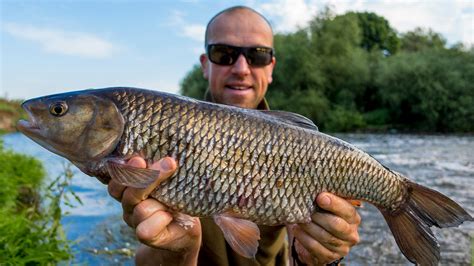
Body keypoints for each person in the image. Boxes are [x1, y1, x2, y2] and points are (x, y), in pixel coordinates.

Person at [107, 6, 361, 266]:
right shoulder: (160, 132)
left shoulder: (301, 149)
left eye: (257, 56)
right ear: (205, 65)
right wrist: (177, 253)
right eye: (224, 54)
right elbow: (144, 253)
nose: (241, 68)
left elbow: (309, 255)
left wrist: (324, 257)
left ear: (271, 67)